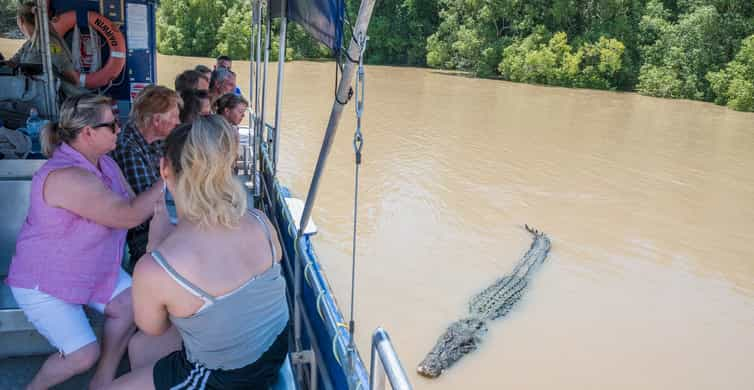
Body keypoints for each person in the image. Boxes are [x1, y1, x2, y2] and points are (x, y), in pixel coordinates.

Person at [107, 115, 289, 389]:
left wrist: (156, 249)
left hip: (227, 376)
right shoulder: (261, 221)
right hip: (273, 351)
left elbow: (153, 327)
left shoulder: (157, 267)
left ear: (164, 169)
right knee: (139, 347)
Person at [5, 94, 164, 390]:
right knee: (82, 355)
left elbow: (133, 202)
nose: (119, 129)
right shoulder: (66, 176)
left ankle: (102, 381)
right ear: (88, 132)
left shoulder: (105, 163)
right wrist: (168, 180)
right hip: (45, 282)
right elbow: (127, 215)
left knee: (132, 304)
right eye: (113, 125)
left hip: (92, 270)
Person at [111, 86, 181, 270]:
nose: (178, 122)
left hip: (163, 220)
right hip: (144, 235)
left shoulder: (155, 142)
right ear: (157, 120)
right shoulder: (128, 147)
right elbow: (147, 207)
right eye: (174, 116)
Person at [6, 2, 78, 89]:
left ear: (21, 20)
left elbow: (68, 71)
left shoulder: (49, 43)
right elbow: (12, 63)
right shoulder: (28, 45)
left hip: (47, 97)